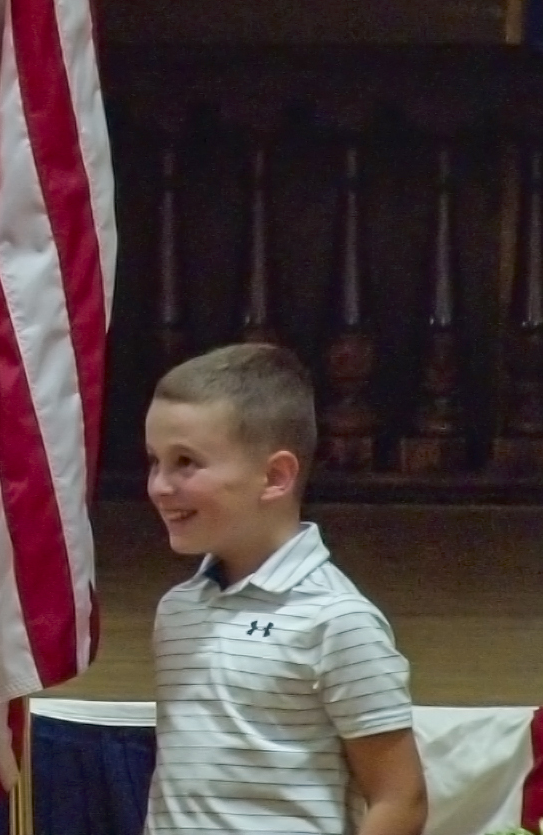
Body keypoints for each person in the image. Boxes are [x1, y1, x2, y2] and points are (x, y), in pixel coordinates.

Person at [142, 343, 426, 835]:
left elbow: (400, 799)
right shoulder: (179, 608)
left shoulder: (336, 619)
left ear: (274, 476)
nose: (160, 486)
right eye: (154, 462)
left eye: (186, 462)